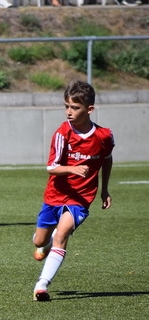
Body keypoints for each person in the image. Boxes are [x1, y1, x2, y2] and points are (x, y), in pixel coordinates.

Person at [31, 81, 114, 302]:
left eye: (75, 108)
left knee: (62, 234)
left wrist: (105, 189)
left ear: (89, 109)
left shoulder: (104, 136)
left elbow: (107, 159)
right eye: (67, 106)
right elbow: (51, 167)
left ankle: (42, 285)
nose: (69, 112)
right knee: (39, 242)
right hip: (55, 195)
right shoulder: (62, 133)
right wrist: (72, 168)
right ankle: (46, 244)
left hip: (81, 198)